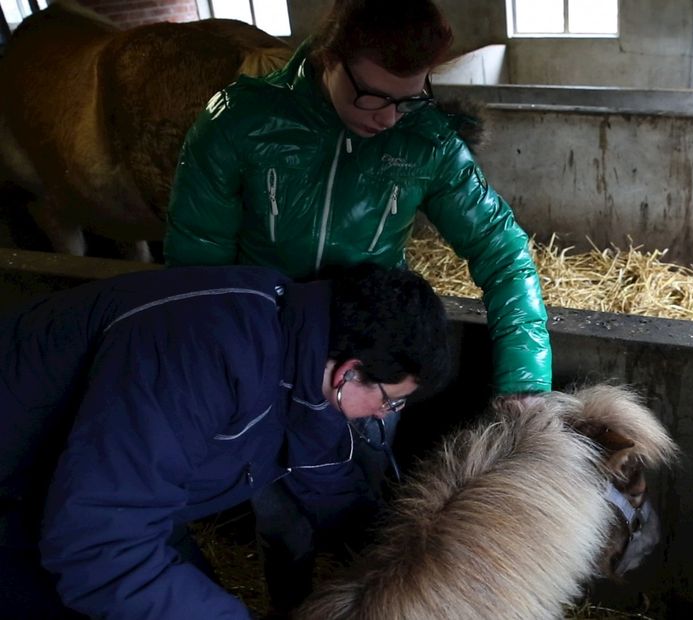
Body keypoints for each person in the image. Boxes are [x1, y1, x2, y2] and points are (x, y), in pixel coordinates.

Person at [163, 0, 552, 612]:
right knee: (279, 514)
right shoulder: (240, 123)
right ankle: (291, 603)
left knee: (372, 510)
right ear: (329, 56)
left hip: (371, 361)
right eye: (372, 96)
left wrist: (526, 376)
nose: (389, 117)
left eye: (409, 97)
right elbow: (194, 269)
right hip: (269, 362)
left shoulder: (424, 141)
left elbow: (503, 251)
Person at [0, 262, 452, 619]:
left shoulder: (302, 345)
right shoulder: (206, 350)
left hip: (113, 500)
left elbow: (322, 471)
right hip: (22, 500)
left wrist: (406, 559)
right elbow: (96, 545)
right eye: (389, 401)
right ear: (348, 372)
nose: (383, 414)